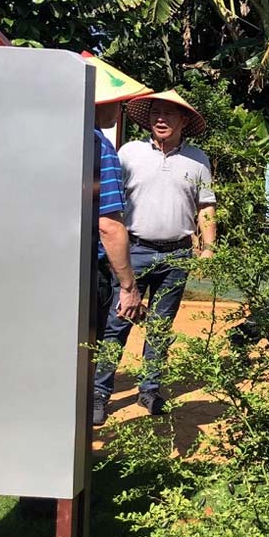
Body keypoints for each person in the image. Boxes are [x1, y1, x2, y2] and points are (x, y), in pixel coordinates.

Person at [93, 89, 216, 421]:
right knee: (117, 322)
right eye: (156, 113)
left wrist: (208, 248)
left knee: (160, 326)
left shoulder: (198, 160)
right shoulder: (128, 153)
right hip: (133, 251)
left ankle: (149, 390)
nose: (161, 119)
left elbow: (206, 207)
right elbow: (107, 202)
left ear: (184, 120)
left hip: (177, 256)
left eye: (169, 113)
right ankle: (99, 393)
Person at [82, 53, 151, 425]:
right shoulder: (100, 148)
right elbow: (109, 225)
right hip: (86, 271)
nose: (119, 107)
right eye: (117, 100)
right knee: (84, 353)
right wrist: (128, 285)